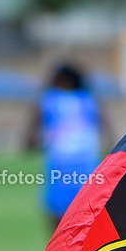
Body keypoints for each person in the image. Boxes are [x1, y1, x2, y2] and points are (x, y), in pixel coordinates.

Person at [27, 64, 106, 234]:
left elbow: (30, 138)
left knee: (56, 213)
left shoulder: (48, 99)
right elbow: (107, 130)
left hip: (60, 162)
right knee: (87, 214)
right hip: (87, 163)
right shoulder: (89, 99)